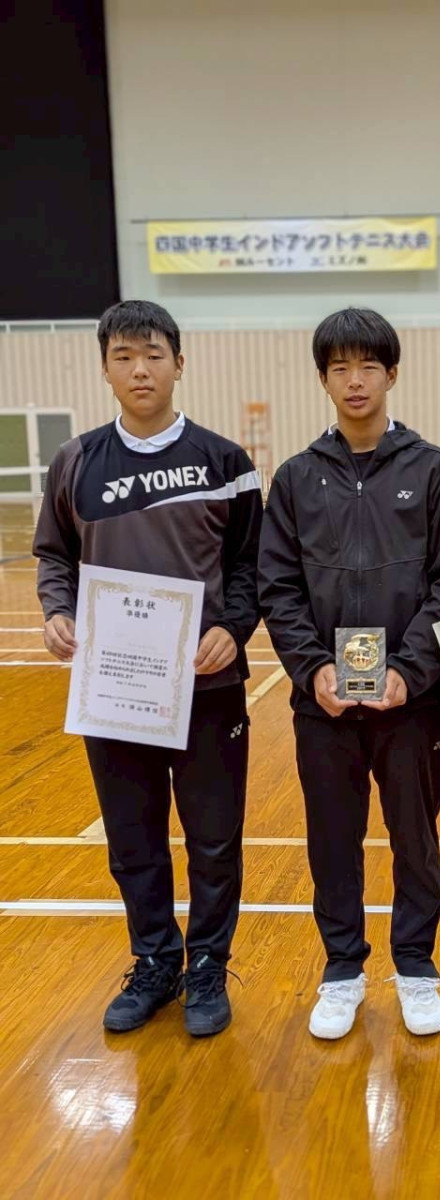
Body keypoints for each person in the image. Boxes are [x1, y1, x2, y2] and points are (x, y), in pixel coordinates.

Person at [34, 300, 262, 1037]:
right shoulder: (75, 462)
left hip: (208, 689)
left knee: (213, 841)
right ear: (105, 369)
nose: (140, 370)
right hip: (114, 690)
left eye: (153, 355)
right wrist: (57, 612)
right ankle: (156, 961)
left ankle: (207, 967)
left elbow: (253, 567)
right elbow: (54, 556)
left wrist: (232, 627)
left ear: (178, 363)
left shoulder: (226, 463)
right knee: (133, 839)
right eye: (124, 357)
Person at [258, 307, 440, 1040]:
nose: (355, 381)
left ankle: (416, 967)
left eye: (369, 366)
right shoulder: (296, 478)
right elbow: (278, 587)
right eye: (340, 368)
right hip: (323, 706)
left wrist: (409, 671)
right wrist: (312, 667)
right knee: (332, 838)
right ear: (323, 379)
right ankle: (343, 969)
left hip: (410, 703)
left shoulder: (433, 469)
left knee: (416, 837)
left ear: (392, 374)